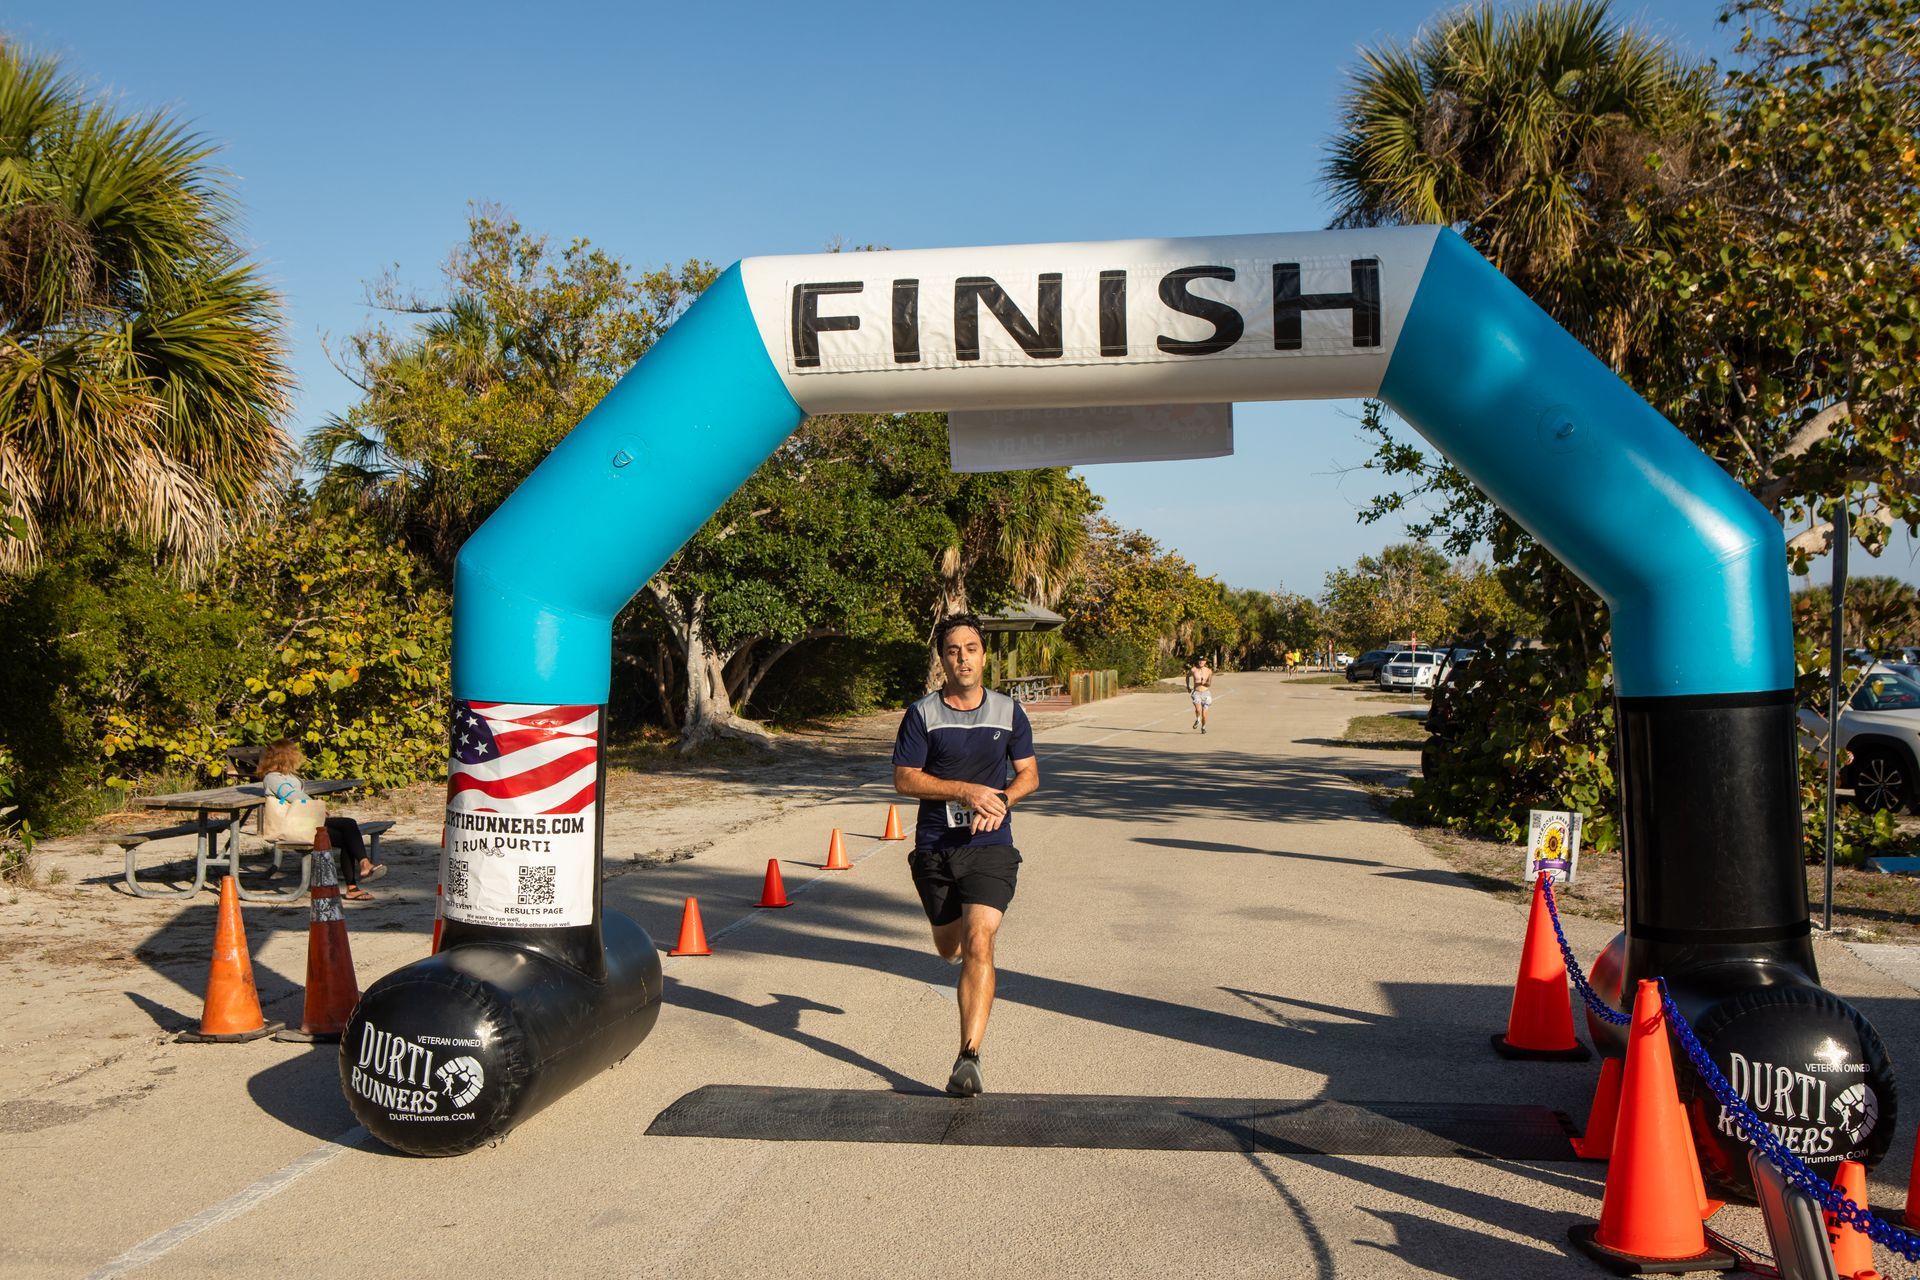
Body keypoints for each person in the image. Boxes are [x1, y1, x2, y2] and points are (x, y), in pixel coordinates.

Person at [893, 613, 1040, 1097]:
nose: (963, 657)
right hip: (936, 847)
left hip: (990, 847)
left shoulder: (1008, 711)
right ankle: (953, 950)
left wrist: (1000, 801)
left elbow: (1029, 775)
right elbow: (905, 778)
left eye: (972, 648)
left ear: (984, 654)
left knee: (980, 941)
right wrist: (964, 792)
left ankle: (968, 1056)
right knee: (949, 945)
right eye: (954, 649)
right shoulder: (921, 715)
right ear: (943, 659)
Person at [257, 739, 384, 901]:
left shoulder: (287, 775)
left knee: (348, 829)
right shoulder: (272, 778)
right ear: (286, 756)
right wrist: (317, 806)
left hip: (303, 820)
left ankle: (356, 880)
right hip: (292, 825)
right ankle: (362, 868)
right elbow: (290, 795)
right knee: (348, 826)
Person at [1187, 656, 1213, 733]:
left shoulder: (1209, 671)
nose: (1201, 661)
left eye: (1203, 660)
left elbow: (1209, 684)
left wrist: (1204, 683)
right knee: (1198, 709)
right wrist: (1188, 686)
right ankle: (1198, 719)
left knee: (1204, 715)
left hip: (1206, 693)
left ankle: (1203, 727)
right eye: (1200, 660)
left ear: (1205, 662)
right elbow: (1187, 676)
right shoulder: (1193, 670)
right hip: (1196, 693)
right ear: (1197, 661)